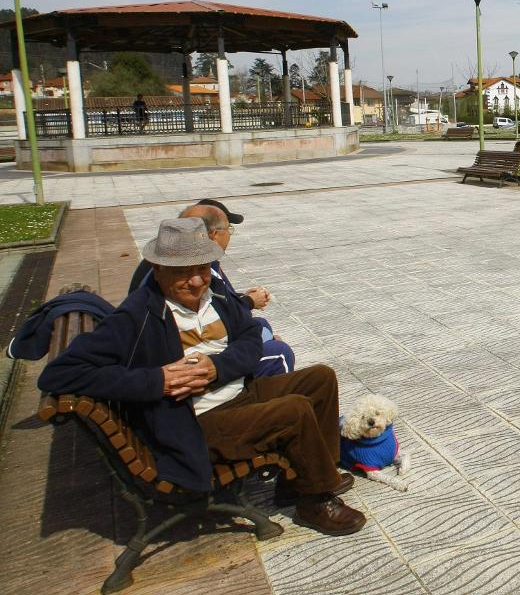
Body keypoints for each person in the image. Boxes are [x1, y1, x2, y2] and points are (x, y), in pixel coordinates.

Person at [39, 218, 364, 535]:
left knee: (320, 378)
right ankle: (315, 500)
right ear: (158, 269)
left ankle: (305, 479)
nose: (196, 281)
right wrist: (157, 381)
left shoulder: (216, 296)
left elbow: (250, 334)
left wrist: (218, 367)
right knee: (294, 410)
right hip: (193, 423)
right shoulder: (137, 316)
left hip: (236, 396)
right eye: (183, 272)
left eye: (202, 269)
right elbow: (61, 373)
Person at [129, 199, 293, 377]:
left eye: (202, 269)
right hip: (199, 370)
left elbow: (225, 311)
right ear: (214, 234)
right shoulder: (142, 307)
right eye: (228, 229)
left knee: (261, 327)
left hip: (207, 356)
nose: (196, 281)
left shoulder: (165, 266)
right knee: (280, 352)